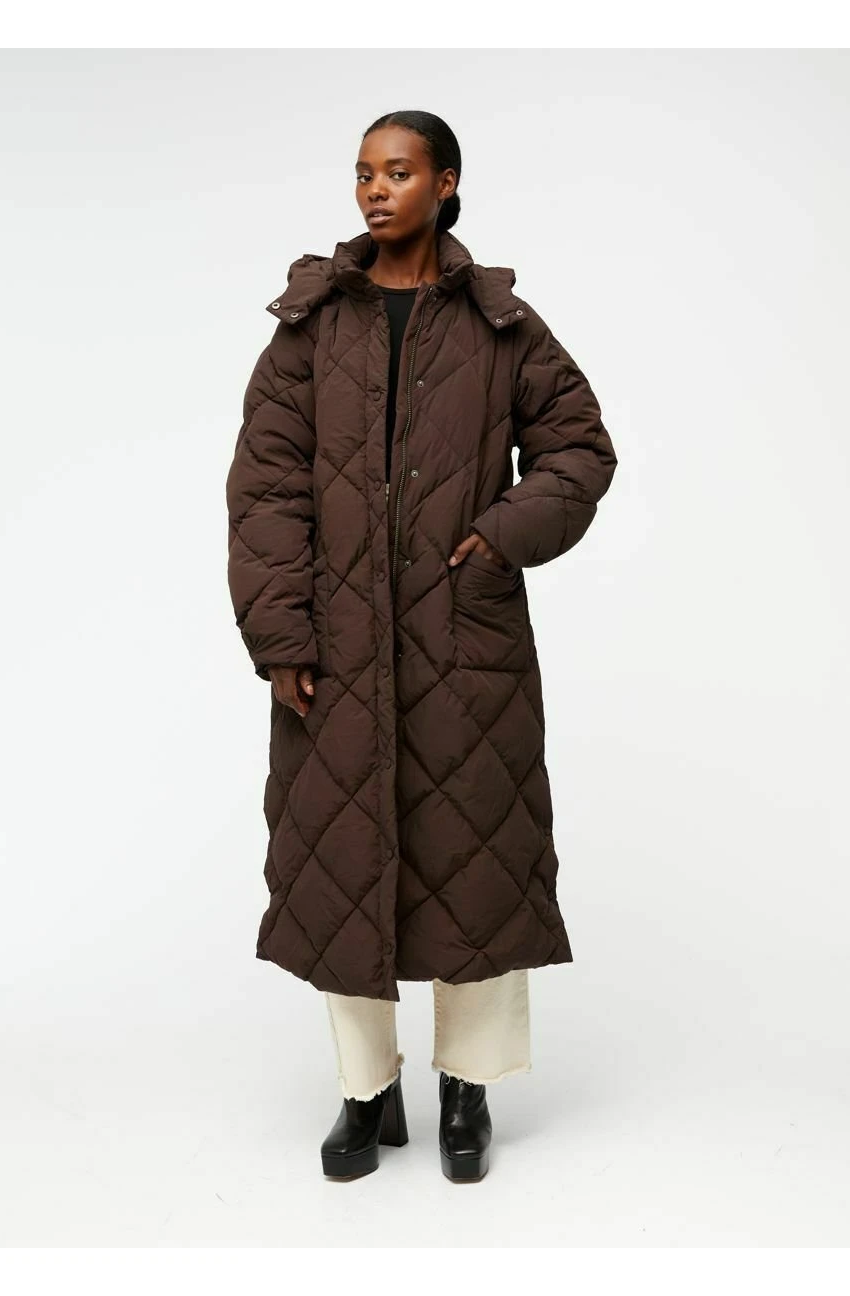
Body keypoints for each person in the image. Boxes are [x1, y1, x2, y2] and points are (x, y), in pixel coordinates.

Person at [224, 109, 618, 1183]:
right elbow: (265, 487)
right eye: (363, 172)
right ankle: (365, 1093)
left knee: (475, 861)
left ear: (446, 183)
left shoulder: (501, 325)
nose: (374, 189)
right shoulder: (311, 326)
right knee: (338, 860)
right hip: (337, 650)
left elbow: (579, 447)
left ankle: (467, 1089)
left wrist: (500, 538)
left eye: (397, 171)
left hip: (464, 642)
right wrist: (282, 632)